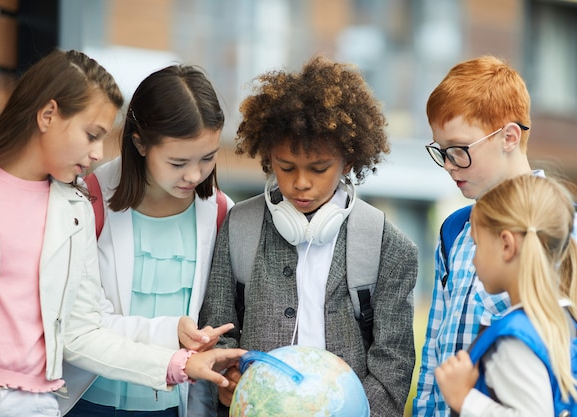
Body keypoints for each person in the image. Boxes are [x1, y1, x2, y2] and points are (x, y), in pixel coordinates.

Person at [0, 49, 245, 417]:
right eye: (91, 135)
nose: (96, 153)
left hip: (65, 401)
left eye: (207, 158)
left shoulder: (73, 206)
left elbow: (80, 328)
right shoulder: (78, 197)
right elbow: (84, 326)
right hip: (47, 396)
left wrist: (180, 360)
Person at [198, 55, 419, 417]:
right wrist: (226, 376)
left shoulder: (388, 246)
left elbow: (393, 362)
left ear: (348, 161)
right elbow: (219, 327)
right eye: (286, 168)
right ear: (269, 158)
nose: (301, 183)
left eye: (318, 169)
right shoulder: (239, 226)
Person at [64, 64, 234, 417]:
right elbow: (84, 323)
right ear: (140, 143)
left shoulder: (220, 212)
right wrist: (172, 331)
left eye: (207, 158)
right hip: (86, 399)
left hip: (177, 403)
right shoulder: (86, 201)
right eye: (177, 162)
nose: (194, 174)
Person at [413, 55, 541, 417]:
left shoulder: (561, 229)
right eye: (442, 151)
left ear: (509, 137)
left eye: (460, 149)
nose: (450, 164)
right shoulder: (455, 229)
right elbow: (434, 352)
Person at [435, 174, 577, 416]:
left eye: (477, 245)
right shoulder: (564, 322)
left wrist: (463, 398)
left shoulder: (516, 340)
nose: (474, 258)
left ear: (507, 245)